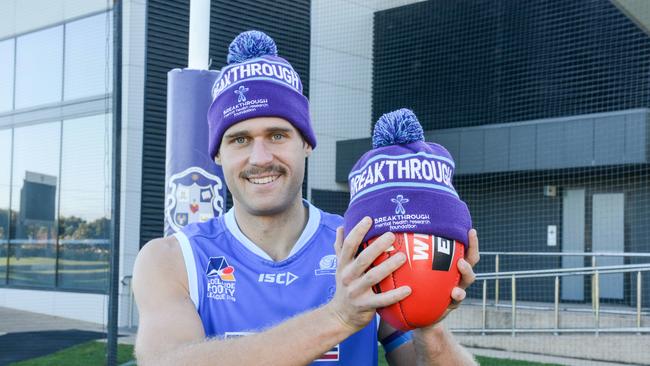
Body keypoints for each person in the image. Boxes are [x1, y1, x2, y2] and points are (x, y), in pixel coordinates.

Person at [132, 31, 480, 366]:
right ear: (218, 154)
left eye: (278, 135)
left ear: (307, 144)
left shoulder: (363, 246)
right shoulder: (171, 259)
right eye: (239, 139)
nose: (260, 157)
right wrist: (339, 318)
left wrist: (428, 321)